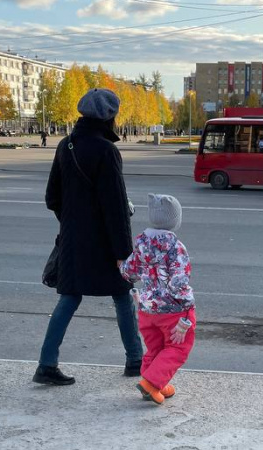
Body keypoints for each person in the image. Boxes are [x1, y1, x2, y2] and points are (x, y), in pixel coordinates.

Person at [34, 88, 143, 386]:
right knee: (122, 297)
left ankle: (46, 364)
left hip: (72, 241)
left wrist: (73, 223)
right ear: (110, 117)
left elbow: (51, 197)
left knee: (69, 297)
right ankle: (135, 360)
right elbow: (116, 207)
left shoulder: (65, 145)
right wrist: (124, 251)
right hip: (106, 243)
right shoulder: (106, 151)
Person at [120, 194, 195, 405]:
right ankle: (152, 383)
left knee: (156, 348)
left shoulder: (141, 244)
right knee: (179, 347)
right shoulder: (176, 247)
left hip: (146, 309)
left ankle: (155, 383)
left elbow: (129, 272)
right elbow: (179, 282)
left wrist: (123, 267)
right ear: (174, 220)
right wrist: (188, 307)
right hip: (172, 311)